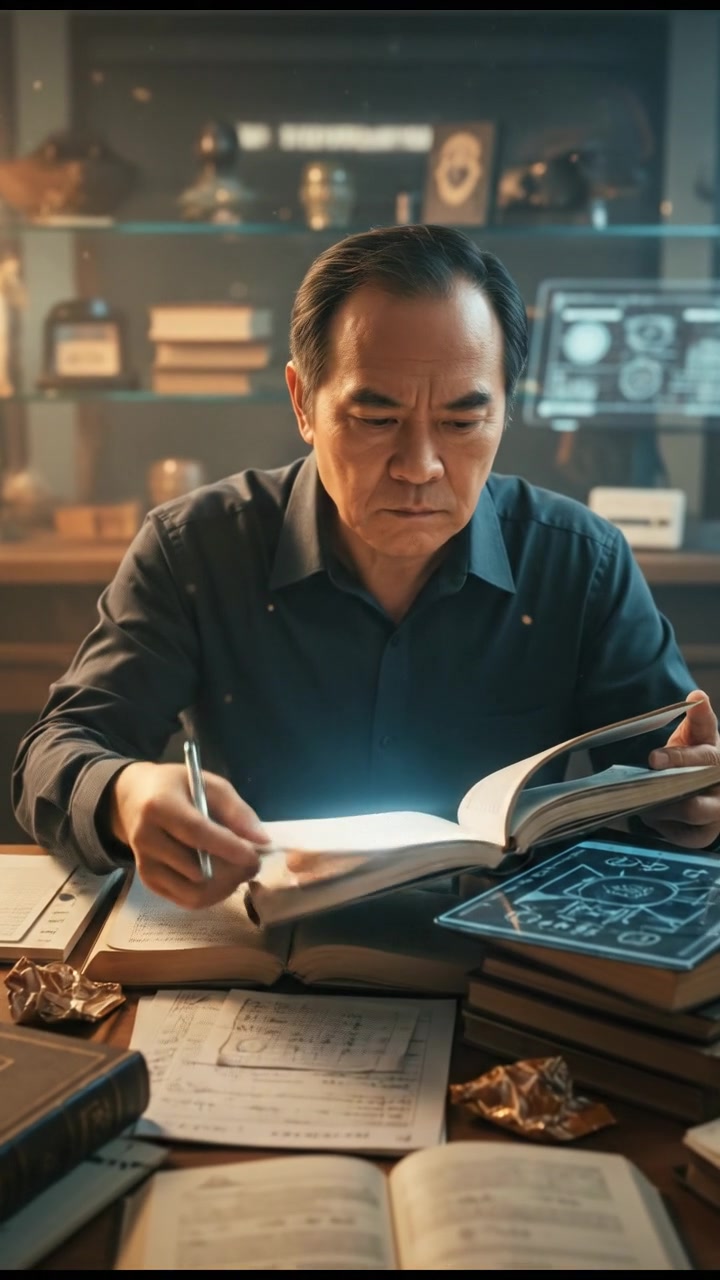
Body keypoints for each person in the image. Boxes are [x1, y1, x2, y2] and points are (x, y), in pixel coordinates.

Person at [12, 224, 720, 910]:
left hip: (506, 971)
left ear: (507, 411)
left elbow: (670, 781)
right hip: (263, 952)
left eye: (462, 422)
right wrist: (124, 794)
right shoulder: (196, 548)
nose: (420, 467)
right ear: (302, 403)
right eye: (376, 420)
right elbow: (55, 752)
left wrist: (692, 804)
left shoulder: (580, 562)